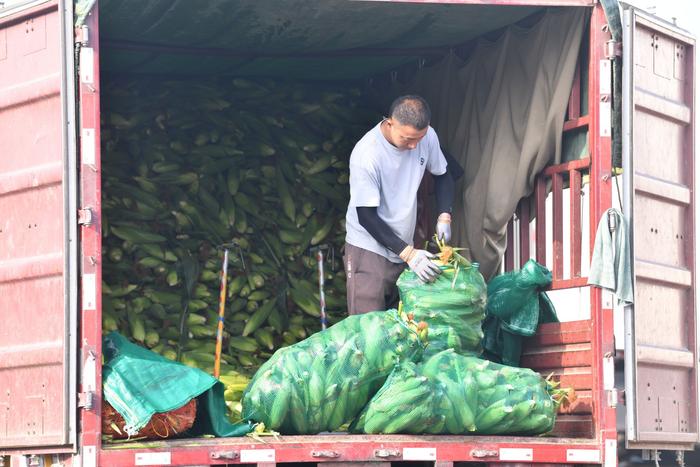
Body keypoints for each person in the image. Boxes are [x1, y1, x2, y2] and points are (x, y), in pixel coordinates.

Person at [344, 95, 455, 315]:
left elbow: (444, 175)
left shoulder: (427, 137)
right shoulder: (367, 154)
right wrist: (410, 255)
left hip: (404, 243)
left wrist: (445, 215)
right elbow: (367, 217)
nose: (414, 146)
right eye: (407, 139)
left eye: (419, 138)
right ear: (390, 123)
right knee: (370, 327)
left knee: (407, 325)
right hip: (369, 247)